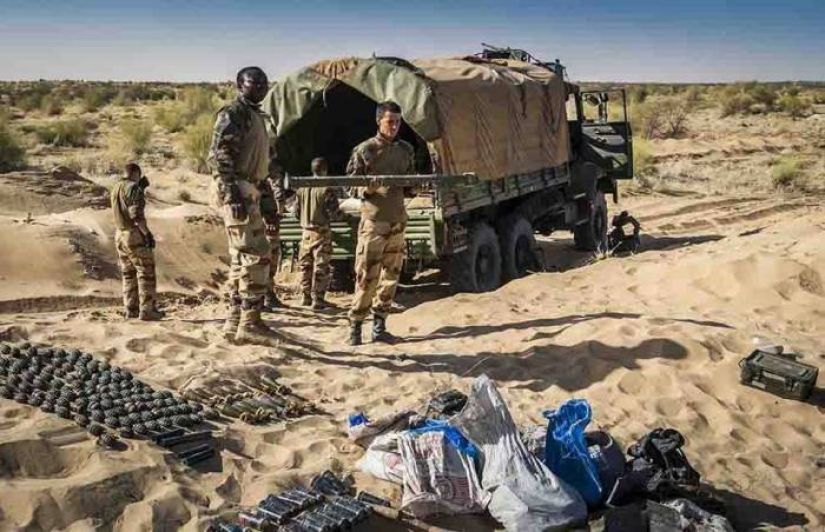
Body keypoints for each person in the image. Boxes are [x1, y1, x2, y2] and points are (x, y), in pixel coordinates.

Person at [208, 66, 280, 345]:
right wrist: (232, 195)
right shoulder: (234, 113)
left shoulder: (256, 116)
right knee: (256, 255)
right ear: (240, 85)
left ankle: (234, 321)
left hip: (250, 189)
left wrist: (269, 205)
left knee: (241, 260)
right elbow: (220, 157)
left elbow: (260, 167)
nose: (260, 87)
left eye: (263, 83)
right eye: (253, 83)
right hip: (239, 191)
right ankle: (251, 322)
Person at [346, 101, 416, 345]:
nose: (394, 126)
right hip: (374, 223)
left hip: (397, 221)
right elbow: (349, 185)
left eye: (398, 122)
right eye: (390, 122)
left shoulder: (406, 150)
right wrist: (368, 187)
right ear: (379, 121)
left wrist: (414, 187)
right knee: (366, 277)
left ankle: (379, 326)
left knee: (390, 277)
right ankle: (355, 327)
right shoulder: (365, 150)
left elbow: (409, 184)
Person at [110, 162, 164, 321]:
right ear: (136, 173)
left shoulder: (116, 187)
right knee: (145, 272)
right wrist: (147, 234)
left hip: (119, 234)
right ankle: (148, 310)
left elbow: (124, 203)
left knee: (128, 274)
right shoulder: (133, 188)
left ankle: (131, 309)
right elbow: (135, 215)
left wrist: (140, 187)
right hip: (133, 234)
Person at [296, 157, 350, 310]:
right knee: (321, 266)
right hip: (321, 233)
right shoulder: (326, 189)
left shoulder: (301, 189)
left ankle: (305, 297)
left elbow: (296, 212)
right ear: (325, 170)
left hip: (305, 233)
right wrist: (348, 218)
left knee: (305, 266)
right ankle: (318, 299)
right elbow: (334, 214)